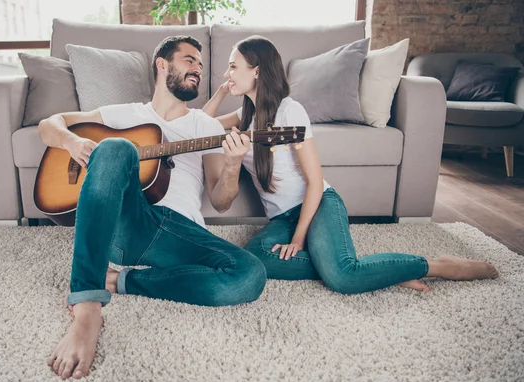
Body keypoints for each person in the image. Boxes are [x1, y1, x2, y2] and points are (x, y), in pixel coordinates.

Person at [39, 36, 267, 381]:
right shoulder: (125, 115)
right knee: (116, 147)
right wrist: (72, 142)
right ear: (162, 64)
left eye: (201, 66)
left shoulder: (205, 126)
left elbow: (221, 202)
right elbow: (49, 124)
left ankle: (125, 281)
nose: (198, 70)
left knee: (251, 275)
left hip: (177, 234)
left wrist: (234, 165)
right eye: (189, 60)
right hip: (126, 222)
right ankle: (87, 306)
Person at [202, 35, 498, 296]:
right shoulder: (244, 116)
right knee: (257, 259)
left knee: (342, 277)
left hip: (317, 204)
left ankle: (435, 265)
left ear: (257, 71)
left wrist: (298, 239)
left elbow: (315, 182)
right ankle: (380, 273)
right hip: (280, 217)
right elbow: (199, 126)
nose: (228, 73)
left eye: (232, 66)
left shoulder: (290, 111)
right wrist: (221, 93)